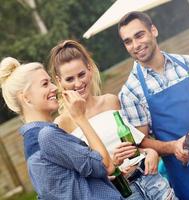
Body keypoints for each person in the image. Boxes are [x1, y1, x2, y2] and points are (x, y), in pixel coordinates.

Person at [118, 11, 189, 200]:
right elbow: (141, 142)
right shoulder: (130, 92)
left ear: (153, 30)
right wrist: (172, 147)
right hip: (188, 177)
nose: (135, 45)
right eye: (128, 41)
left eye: (139, 35)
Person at [48, 39, 177, 200]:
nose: (78, 83)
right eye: (70, 79)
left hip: (152, 182)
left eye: (81, 74)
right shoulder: (61, 125)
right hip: (121, 193)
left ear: (89, 69)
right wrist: (111, 165)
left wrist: (150, 152)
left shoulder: (111, 101)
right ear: (59, 81)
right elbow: (79, 180)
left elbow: (135, 145)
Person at [0, 57, 123, 200]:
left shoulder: (32, 141)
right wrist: (80, 117)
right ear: (26, 98)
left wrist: (98, 182)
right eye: (45, 84)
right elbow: (106, 165)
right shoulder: (47, 136)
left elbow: (65, 186)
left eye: (51, 82)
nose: (54, 88)